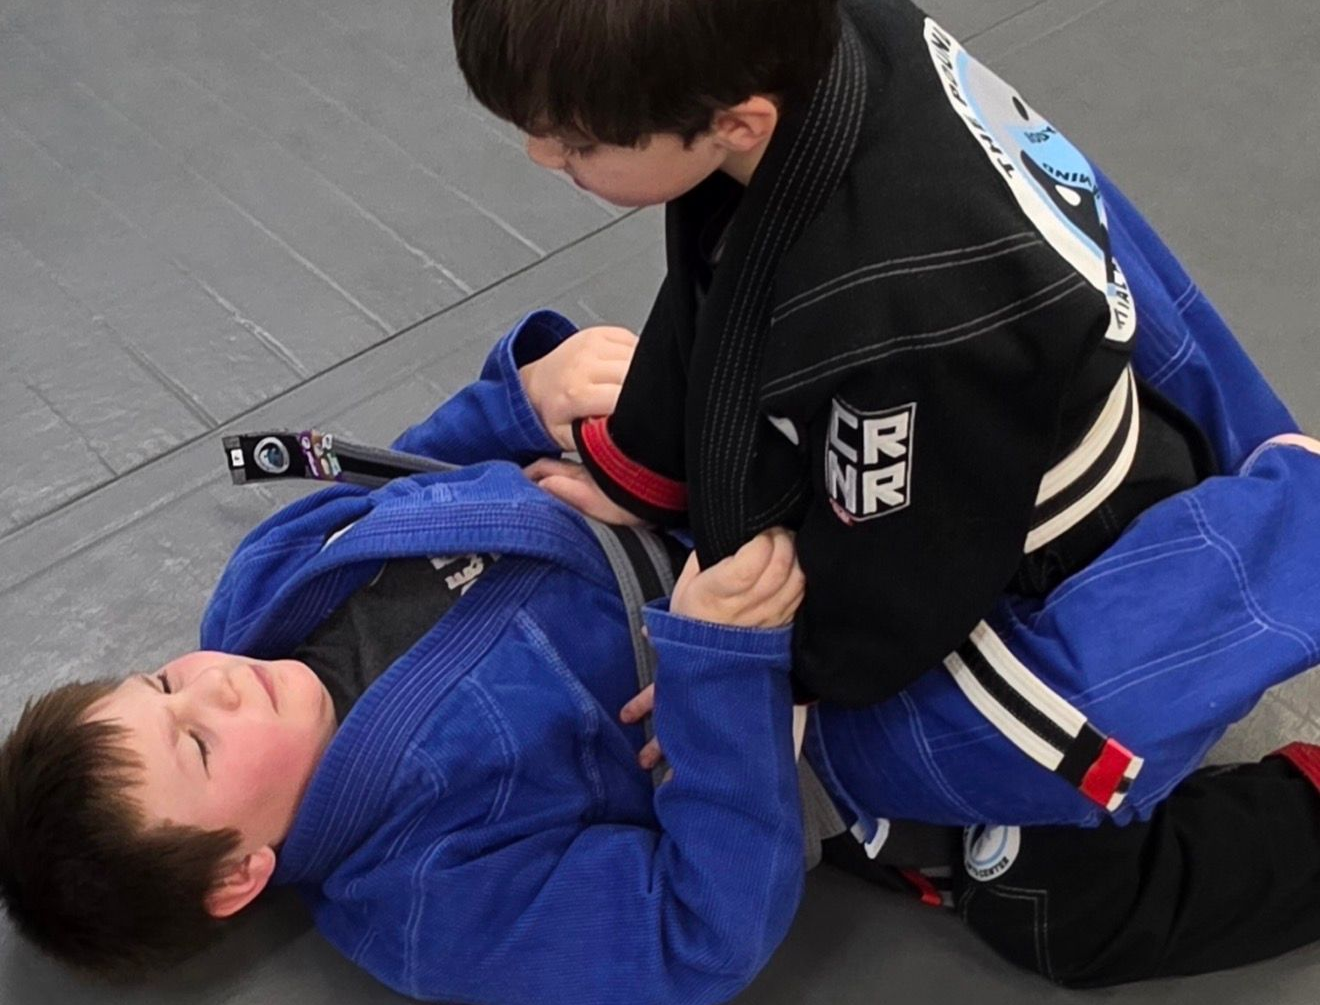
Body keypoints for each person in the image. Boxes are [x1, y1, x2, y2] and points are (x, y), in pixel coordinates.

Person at [4, 312, 1320, 999]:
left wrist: (522, 401)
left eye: (161, 682)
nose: (212, 682)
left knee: (844, 301)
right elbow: (699, 934)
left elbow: (421, 472)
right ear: (238, 874)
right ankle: (1291, 548)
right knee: (1067, 896)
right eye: (196, 742)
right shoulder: (424, 901)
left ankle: (1099, 317)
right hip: (809, 694)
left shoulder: (264, 591)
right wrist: (720, 670)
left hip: (728, 478)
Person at [452, 0, 1298, 713]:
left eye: (575, 143)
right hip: (964, 377)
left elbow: (897, 576)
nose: (542, 156)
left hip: (1038, 540)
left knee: (950, 823)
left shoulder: (901, 312)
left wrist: (750, 682)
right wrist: (643, 463)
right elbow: (715, 276)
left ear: (737, 123)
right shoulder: (784, 46)